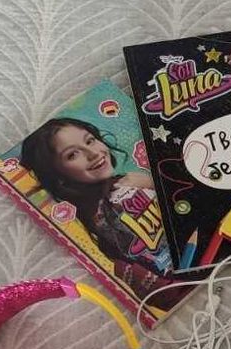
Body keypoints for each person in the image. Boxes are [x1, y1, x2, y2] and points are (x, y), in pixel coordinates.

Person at [20, 117, 183, 308]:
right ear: (58, 176)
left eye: (90, 140)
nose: (93, 153)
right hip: (174, 283)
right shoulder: (87, 218)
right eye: (72, 155)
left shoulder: (131, 179)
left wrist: (153, 184)